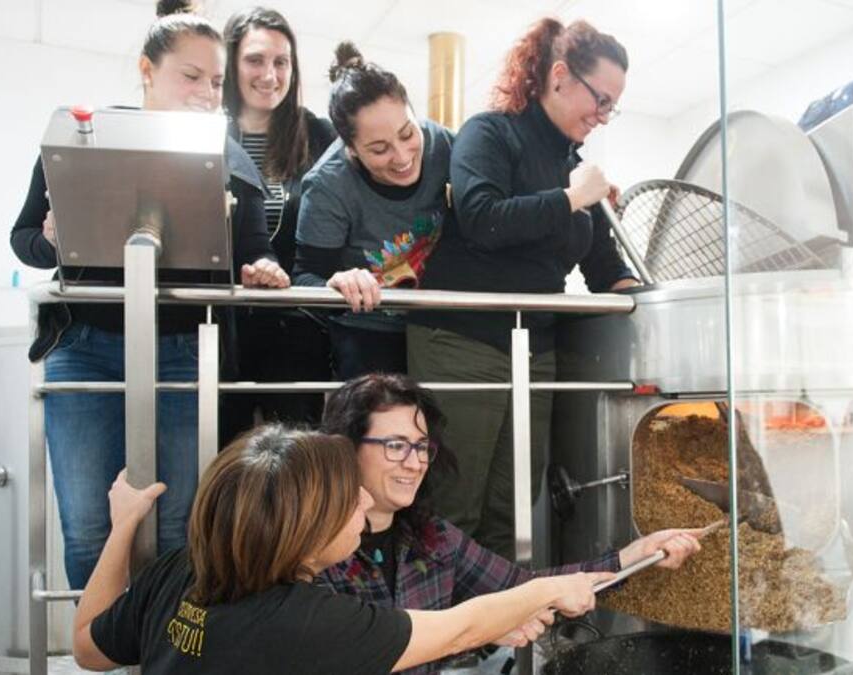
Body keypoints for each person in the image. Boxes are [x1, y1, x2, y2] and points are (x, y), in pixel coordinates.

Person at [8, 0, 288, 590]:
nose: (206, 93)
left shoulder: (232, 159)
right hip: (83, 348)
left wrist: (263, 270)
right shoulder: (83, 140)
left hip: (183, 350)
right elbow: (25, 239)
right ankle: (101, 635)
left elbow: (256, 252)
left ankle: (165, 637)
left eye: (215, 81)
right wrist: (52, 238)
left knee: (181, 523)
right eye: (191, 76)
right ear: (146, 70)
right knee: (88, 525)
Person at [71, 426, 612, 674]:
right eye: (349, 497)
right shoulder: (301, 621)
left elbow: (87, 650)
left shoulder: (182, 570)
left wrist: (124, 526)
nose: (365, 499)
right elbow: (458, 629)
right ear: (303, 529)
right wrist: (546, 591)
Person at [405, 18, 638, 559]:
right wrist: (571, 199)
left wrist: (644, 295)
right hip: (461, 341)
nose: (603, 116)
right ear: (559, 76)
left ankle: (501, 615)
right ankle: (440, 616)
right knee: (454, 505)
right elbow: (483, 218)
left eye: (613, 107)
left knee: (512, 510)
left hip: (534, 349)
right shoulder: (490, 133)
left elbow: (604, 268)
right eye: (601, 100)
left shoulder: (575, 168)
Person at [318, 373, 704, 674]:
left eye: (421, 446)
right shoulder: (313, 551)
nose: (414, 462)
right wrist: (482, 628)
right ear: (346, 448)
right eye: (396, 445)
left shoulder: (433, 538)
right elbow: (369, 649)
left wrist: (633, 556)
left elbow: (522, 588)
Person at [294, 42, 454, 378]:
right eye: (380, 149)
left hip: (438, 323)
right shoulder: (327, 185)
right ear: (351, 149)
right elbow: (305, 277)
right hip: (366, 330)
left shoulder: (442, 144)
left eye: (407, 133)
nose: (402, 157)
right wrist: (336, 283)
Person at [219, 6, 338, 442]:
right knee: (223, 455)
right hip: (224, 328)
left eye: (281, 62)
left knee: (293, 461)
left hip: (296, 329)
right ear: (231, 64)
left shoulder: (319, 135)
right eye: (255, 60)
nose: (270, 75)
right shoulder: (206, 135)